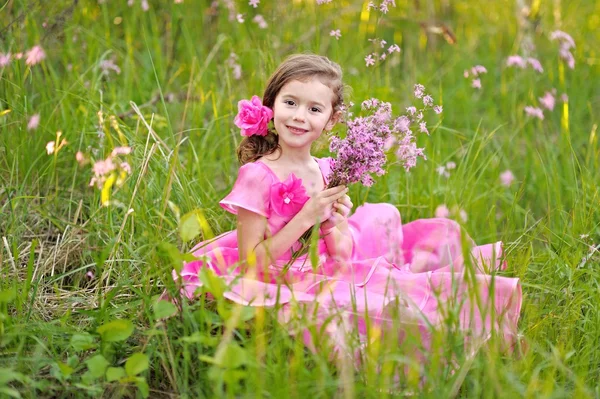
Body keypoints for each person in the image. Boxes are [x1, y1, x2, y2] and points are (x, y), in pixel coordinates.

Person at [174, 54, 522, 357]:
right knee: (349, 310)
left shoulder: (328, 170)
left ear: (332, 120)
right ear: (272, 105)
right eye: (290, 103)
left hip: (322, 268)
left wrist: (332, 222)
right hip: (272, 275)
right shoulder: (258, 176)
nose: (299, 116)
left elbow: (341, 252)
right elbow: (253, 262)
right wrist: (306, 217)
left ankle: (482, 339)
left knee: (397, 294)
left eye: (314, 109)